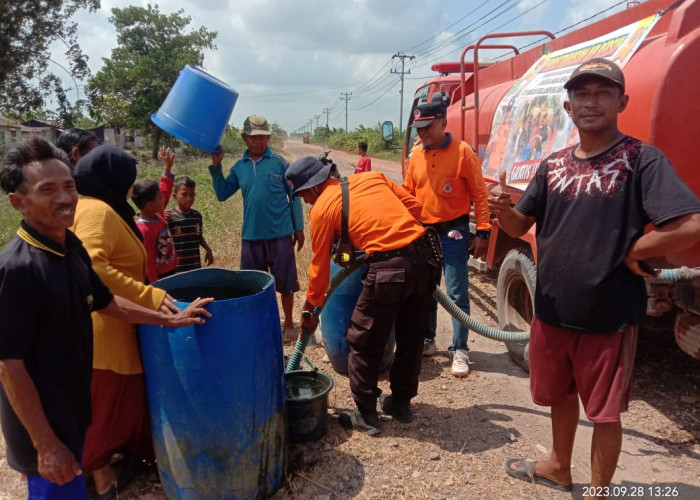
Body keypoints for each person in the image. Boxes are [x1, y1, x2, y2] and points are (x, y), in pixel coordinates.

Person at [490, 58, 700, 498]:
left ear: (622, 101)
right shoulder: (552, 166)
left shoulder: (641, 160)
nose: (591, 102)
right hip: (550, 312)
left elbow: (690, 223)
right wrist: (501, 211)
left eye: (603, 92)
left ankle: (600, 492)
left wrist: (633, 251)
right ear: (567, 107)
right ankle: (559, 467)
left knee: (605, 413)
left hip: (608, 318)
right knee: (560, 395)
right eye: (582, 94)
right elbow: (516, 226)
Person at [0, 137, 212, 500]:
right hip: (45, 431)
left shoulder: (70, 248)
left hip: (73, 413)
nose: (65, 198)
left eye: (69, 186)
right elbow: (9, 366)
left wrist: (167, 320)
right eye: (48, 190)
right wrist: (46, 445)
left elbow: (105, 301)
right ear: (18, 201)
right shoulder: (16, 269)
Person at [69, 145, 211, 499]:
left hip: (121, 324)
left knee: (127, 405)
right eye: (128, 182)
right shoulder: (97, 211)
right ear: (113, 181)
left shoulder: (102, 207)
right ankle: (99, 477)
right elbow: (94, 267)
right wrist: (150, 296)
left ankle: (117, 462)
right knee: (105, 410)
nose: (132, 190)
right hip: (106, 331)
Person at [285, 156, 441, 435]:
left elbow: (319, 271)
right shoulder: (373, 178)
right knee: (411, 336)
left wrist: (309, 311)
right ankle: (401, 405)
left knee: (363, 338)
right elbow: (415, 208)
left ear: (312, 188)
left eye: (302, 195)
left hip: (389, 269)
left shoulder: (322, 210)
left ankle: (366, 414)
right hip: (425, 259)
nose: (304, 202)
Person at [402, 94, 491, 377]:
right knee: (426, 290)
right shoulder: (416, 154)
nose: (423, 133)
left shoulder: (463, 152)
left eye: (428, 126)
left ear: (443, 122)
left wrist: (484, 232)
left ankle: (460, 349)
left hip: (454, 232)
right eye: (419, 128)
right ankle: (428, 340)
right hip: (424, 232)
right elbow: (407, 192)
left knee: (455, 292)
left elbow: (480, 194)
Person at [209, 115, 304, 342]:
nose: (258, 142)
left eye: (262, 137)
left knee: (286, 283)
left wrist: (298, 228)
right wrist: (216, 166)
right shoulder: (239, 168)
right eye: (253, 138)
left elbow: (295, 196)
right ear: (244, 139)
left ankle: (289, 323)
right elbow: (222, 194)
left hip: (280, 234)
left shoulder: (280, 163)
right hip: (251, 237)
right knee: (253, 285)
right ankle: (259, 324)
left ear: (269, 137)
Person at [131, 147, 178, 283]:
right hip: (159, 278)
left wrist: (167, 167)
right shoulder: (143, 231)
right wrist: (156, 287)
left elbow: (165, 189)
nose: (164, 199)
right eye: (160, 198)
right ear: (150, 205)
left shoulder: (157, 215)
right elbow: (148, 264)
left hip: (171, 270)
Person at [167, 175, 214, 273]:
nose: (189, 198)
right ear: (175, 196)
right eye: (184, 194)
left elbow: (198, 236)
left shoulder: (197, 215)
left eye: (192, 195)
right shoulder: (169, 217)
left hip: (194, 265)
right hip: (176, 268)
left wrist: (208, 249)